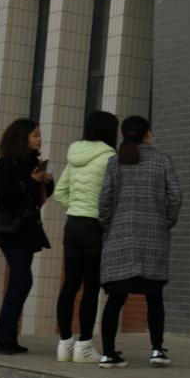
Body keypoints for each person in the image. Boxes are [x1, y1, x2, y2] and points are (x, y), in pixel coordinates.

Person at [97, 116, 182, 368]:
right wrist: (165, 222)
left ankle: (108, 353)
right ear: (147, 134)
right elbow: (175, 196)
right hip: (153, 239)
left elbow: (104, 200)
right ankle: (156, 350)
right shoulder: (162, 160)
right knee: (154, 296)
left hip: (119, 238)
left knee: (115, 298)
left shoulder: (115, 162)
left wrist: (109, 226)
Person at [53, 111, 119, 363]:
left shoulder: (74, 155)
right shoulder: (109, 157)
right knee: (91, 287)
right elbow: (112, 195)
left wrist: (76, 207)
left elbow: (60, 192)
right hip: (94, 226)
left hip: (72, 225)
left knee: (70, 284)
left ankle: (64, 345)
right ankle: (85, 345)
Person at [0, 118, 53, 354]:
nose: (39, 139)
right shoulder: (6, 163)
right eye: (35, 135)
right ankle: (1, 336)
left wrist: (47, 182)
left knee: (18, 283)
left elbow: (40, 197)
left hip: (28, 230)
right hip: (10, 229)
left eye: (39, 135)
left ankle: (7, 338)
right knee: (23, 281)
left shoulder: (33, 163)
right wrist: (31, 181)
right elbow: (5, 195)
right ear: (21, 138)